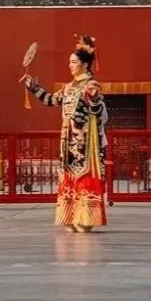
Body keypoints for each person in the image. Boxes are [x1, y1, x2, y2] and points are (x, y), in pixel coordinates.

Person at [21, 34, 108, 232]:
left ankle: (86, 218)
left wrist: (94, 101)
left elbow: (97, 111)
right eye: (69, 62)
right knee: (68, 177)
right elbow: (51, 100)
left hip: (85, 143)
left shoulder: (91, 85)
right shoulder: (68, 88)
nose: (70, 65)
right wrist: (33, 87)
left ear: (85, 65)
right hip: (67, 141)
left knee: (85, 177)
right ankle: (70, 215)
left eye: (74, 62)